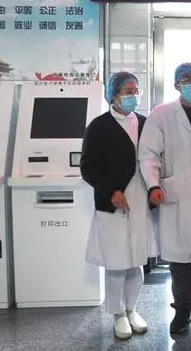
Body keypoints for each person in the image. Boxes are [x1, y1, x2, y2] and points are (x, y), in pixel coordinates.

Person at [138, 62, 191, 335]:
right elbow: (148, 153)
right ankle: (182, 311)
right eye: (186, 79)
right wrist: (153, 185)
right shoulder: (161, 114)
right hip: (174, 194)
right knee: (179, 262)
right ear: (176, 84)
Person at [82, 72, 150, 340]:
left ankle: (132, 309)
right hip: (114, 201)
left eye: (136, 90)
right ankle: (118, 314)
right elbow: (88, 167)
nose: (134, 95)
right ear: (114, 94)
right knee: (117, 262)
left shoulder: (145, 123)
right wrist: (111, 190)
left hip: (140, 199)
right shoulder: (99, 126)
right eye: (127, 91)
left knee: (137, 261)